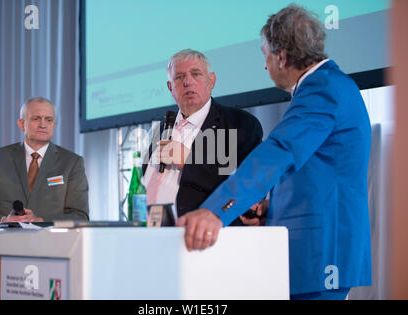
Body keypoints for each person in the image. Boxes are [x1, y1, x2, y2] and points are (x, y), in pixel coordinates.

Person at [176, 5, 372, 299]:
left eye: (264, 54)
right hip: (315, 250)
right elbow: (317, 172)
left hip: (322, 252)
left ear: (281, 56)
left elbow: (279, 151)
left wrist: (215, 211)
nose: (264, 66)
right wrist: (271, 209)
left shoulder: (324, 89)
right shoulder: (325, 87)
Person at [142, 49, 263, 225]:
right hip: (153, 234)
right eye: (179, 77)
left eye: (196, 74)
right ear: (170, 87)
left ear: (211, 80)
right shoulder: (161, 129)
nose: (188, 82)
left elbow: (245, 185)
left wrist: (188, 161)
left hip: (205, 238)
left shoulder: (238, 124)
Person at [0, 97, 89, 227]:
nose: (43, 124)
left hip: (51, 244)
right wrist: (5, 221)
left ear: (54, 125)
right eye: (36, 118)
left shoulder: (72, 162)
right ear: (21, 124)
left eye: (49, 120)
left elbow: (80, 216)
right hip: (5, 244)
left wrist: (41, 221)